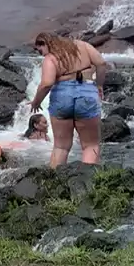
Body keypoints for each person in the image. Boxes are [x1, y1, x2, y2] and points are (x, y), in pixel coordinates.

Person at [29, 32, 106, 167]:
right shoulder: (83, 46)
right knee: (90, 145)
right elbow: (101, 63)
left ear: (45, 43)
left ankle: (54, 178)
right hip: (86, 93)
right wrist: (99, 85)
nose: (41, 54)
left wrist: (36, 102)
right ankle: (88, 178)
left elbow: (47, 83)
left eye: (40, 50)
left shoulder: (51, 58)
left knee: (61, 147)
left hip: (62, 96)